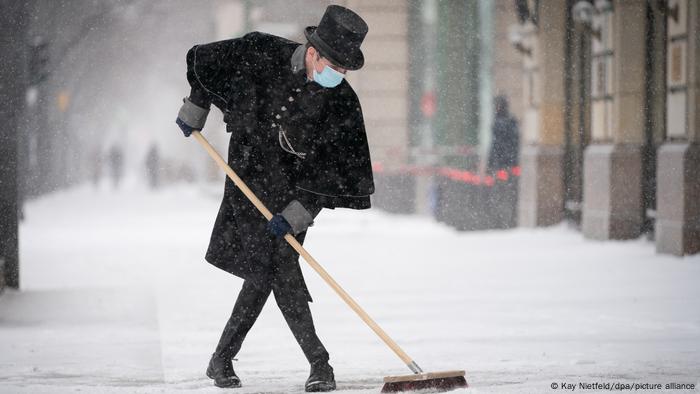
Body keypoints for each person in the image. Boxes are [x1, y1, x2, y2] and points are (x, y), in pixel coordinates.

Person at [175, 5, 373, 392]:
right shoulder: (259, 52)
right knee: (274, 269)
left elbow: (334, 168)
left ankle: (223, 359)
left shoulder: (341, 101)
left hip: (292, 194)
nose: (339, 76)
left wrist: (300, 212)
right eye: (335, 66)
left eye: (345, 71)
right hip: (247, 177)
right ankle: (319, 363)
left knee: (271, 269)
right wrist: (196, 106)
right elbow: (205, 61)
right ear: (313, 51)